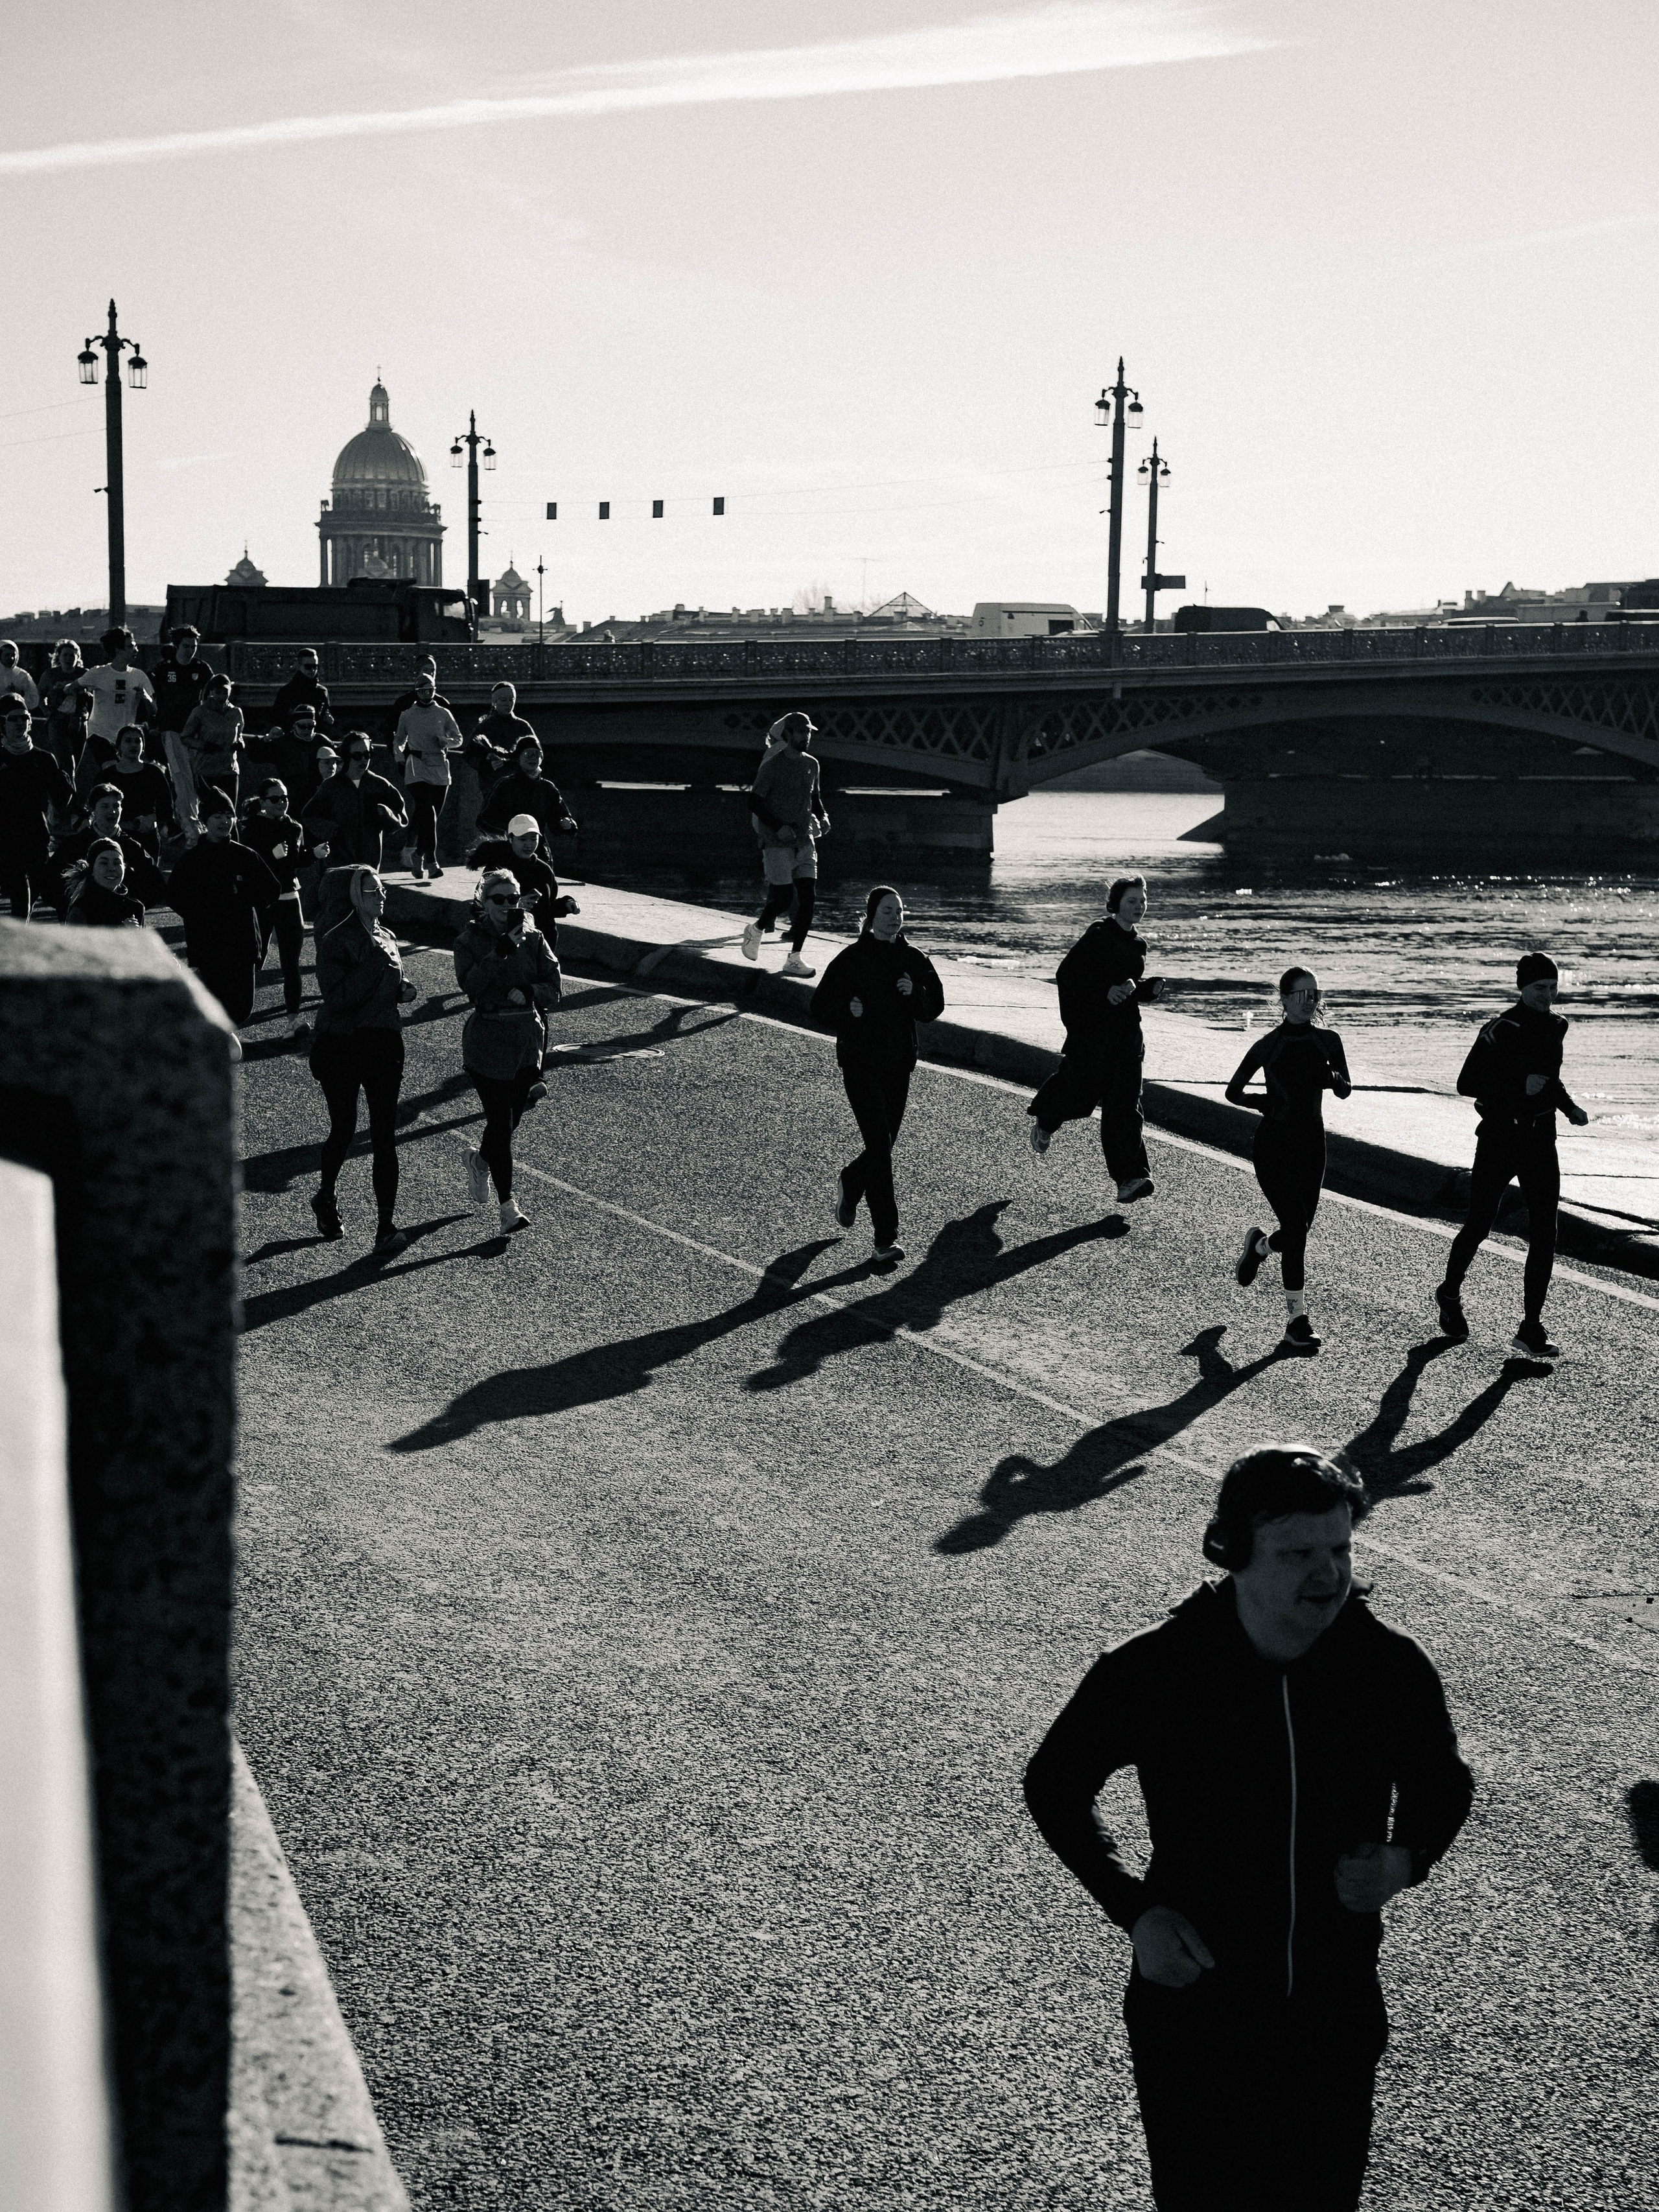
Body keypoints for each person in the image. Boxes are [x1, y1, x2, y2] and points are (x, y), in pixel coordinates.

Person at [1024, 1443, 1475, 2212]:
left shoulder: (1386, 1664)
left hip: (1333, 2004)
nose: (1328, 1573)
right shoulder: (1159, 1665)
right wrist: (1134, 1910)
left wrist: (1406, 1858)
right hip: (1196, 2003)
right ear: (1233, 1550)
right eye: (1298, 1551)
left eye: (1340, 1547)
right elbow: (1054, 1784)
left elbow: (1443, 1782)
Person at [1435, 951, 1588, 1360]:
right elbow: (1467, 1083)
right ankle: (1449, 1293)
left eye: (1554, 987)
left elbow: (1549, 1079)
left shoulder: (1558, 1026)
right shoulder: (1500, 1028)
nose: (1549, 995)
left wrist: (1569, 1107)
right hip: (1500, 1138)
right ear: (1522, 987)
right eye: (1541, 988)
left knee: (1545, 1234)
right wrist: (1520, 1083)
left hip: (1540, 1141)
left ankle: (1531, 1327)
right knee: (1480, 1223)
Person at [809, 886, 944, 1266]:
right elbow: (819, 1007)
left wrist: (914, 991)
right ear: (871, 916)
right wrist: (846, 1009)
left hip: (899, 1063)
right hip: (860, 1063)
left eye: (899, 911)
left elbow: (934, 1006)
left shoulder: (914, 958)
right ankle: (885, 1239)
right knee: (881, 1150)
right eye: (887, 911)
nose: (895, 917)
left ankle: (851, 1182)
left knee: (883, 1145)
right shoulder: (851, 959)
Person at [1225, 966, 1352, 1354]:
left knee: (1298, 1233)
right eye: (1302, 994)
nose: (1310, 1001)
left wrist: (1336, 1081)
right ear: (1283, 999)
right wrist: (1265, 1103)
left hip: (1312, 1147)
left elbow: (1346, 1090)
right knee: (1297, 1228)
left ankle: (1261, 1246)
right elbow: (1233, 1091)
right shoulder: (1269, 1044)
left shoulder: (1329, 1041)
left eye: (1315, 994)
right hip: (1274, 1146)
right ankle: (1297, 1322)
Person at [1027, 872, 1166, 1204]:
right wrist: (1106, 991)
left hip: (1128, 1038)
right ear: (1116, 904)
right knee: (1077, 1097)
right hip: (1093, 1037)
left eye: (1143, 901)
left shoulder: (1139, 943)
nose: (1139, 907)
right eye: (1132, 901)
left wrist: (1148, 989)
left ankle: (1130, 1178)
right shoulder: (1099, 935)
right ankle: (1047, 1120)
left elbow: (1129, 987)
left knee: (1124, 1109)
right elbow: (1068, 975)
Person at [309, 865, 418, 1255]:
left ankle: (385, 1225)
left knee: (385, 1134)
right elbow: (339, 998)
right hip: (341, 1045)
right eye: (372, 891)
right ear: (354, 897)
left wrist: (401, 989)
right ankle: (325, 1195)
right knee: (344, 1128)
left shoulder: (386, 937)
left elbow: (382, 986)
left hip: (383, 1043)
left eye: (382, 889)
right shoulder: (336, 941)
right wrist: (375, 965)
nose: (382, 896)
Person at [454, 867, 562, 1235]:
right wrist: (500, 951)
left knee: (509, 1123)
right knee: (500, 1122)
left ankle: (480, 1160)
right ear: (484, 902)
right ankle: (508, 1207)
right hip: (487, 1041)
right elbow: (470, 986)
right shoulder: (469, 940)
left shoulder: (534, 937)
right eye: (498, 899)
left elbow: (554, 985)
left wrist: (531, 992)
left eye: (512, 899)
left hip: (526, 1043)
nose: (506, 906)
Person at [165, 786, 280, 1032]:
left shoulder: (246, 856)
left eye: (229, 816)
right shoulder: (192, 860)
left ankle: (223, 1041)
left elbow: (272, 889)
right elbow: (174, 896)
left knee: (242, 1008)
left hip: (243, 943)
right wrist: (202, 911)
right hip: (209, 945)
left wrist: (241, 896)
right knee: (214, 1007)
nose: (224, 822)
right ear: (205, 821)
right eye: (218, 817)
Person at [740, 711, 829, 977]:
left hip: (805, 841)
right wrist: (779, 827)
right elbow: (754, 802)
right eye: (801, 732)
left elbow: (814, 797)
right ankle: (756, 929)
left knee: (808, 899)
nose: (806, 737)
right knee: (782, 899)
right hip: (777, 842)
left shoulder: (813, 764)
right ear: (788, 735)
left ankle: (795, 957)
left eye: (809, 732)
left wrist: (823, 816)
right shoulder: (772, 765)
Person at [240, 778, 314, 1035]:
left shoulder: (294, 827)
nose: (282, 803)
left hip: (290, 898)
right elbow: (248, 865)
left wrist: (313, 855)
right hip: (262, 901)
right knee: (253, 959)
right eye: (275, 799)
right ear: (262, 802)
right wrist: (271, 855)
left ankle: (293, 1021)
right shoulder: (250, 828)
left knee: (291, 963)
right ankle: (229, 1016)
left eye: (284, 798)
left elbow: (295, 860)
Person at [0, 696, 74, 918]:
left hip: (35, 834)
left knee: (30, 892)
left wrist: (64, 778)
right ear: (2, 723)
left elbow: (63, 799)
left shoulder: (43, 759)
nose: (21, 723)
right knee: (17, 887)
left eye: (25, 718)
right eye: (14, 719)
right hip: (4, 834)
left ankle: (16, 940)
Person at [51, 783, 167, 916]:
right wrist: (72, 909)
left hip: (121, 924)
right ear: (93, 810)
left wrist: (133, 908)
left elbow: (156, 886)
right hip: (82, 925)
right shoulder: (75, 844)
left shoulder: (132, 846)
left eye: (116, 806)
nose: (112, 811)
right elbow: (51, 883)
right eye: (105, 806)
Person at [300, 730, 408, 870]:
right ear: (346, 756)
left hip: (370, 862)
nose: (363, 760)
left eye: (367, 755)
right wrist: (329, 830)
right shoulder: (331, 785)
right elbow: (309, 815)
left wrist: (386, 813)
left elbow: (401, 817)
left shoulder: (380, 784)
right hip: (337, 861)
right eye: (357, 755)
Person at [391, 671, 463, 879]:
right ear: (417, 692)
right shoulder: (407, 715)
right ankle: (432, 862)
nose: (426, 694)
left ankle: (419, 855)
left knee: (430, 818)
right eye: (422, 690)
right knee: (427, 812)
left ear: (434, 691)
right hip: (416, 765)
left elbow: (458, 738)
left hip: (440, 766)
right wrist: (399, 758)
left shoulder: (443, 713)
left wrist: (446, 741)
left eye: (430, 690)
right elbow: (398, 740)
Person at [467, 813, 579, 946]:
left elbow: (546, 910)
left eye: (533, 839)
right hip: (507, 943)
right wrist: (515, 906)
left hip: (541, 945)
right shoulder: (498, 867)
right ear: (511, 839)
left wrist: (566, 904)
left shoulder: (544, 870)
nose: (529, 845)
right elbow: (479, 907)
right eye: (523, 839)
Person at [76, 722, 172, 849]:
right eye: (128, 741)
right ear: (119, 746)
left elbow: (167, 806)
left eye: (137, 741)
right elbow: (93, 805)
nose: (133, 745)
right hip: (113, 835)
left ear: (143, 747)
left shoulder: (153, 773)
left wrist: (152, 819)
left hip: (145, 835)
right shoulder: (107, 776)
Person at [474, 733, 578, 848]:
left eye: (536, 754)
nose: (533, 758)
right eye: (528, 754)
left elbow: (557, 821)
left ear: (541, 758)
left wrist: (567, 824)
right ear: (519, 757)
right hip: (509, 849)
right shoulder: (505, 786)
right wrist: (513, 833)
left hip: (536, 849)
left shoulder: (548, 788)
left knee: (544, 867)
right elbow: (484, 820)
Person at [174, 673, 246, 833]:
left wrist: (240, 743)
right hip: (206, 770)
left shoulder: (236, 712)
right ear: (212, 692)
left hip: (229, 769)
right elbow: (185, 737)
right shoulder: (200, 712)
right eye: (218, 692)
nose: (221, 696)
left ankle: (233, 849)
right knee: (212, 815)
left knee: (230, 814)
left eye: (225, 692)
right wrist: (204, 746)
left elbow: (240, 733)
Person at [82, 629, 156, 752]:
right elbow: (72, 688)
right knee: (108, 765)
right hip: (99, 735)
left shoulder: (139, 675)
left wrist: (146, 697)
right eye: (131, 647)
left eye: (136, 646)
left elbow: (154, 710)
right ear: (118, 649)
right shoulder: (98, 672)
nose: (136, 650)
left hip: (124, 738)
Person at [247, 702, 325, 813]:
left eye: (311, 726)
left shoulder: (321, 741)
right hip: (292, 795)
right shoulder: (285, 743)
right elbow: (255, 756)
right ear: (294, 725)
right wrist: (267, 738)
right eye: (302, 726)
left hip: (316, 793)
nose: (307, 730)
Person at [152, 625, 213, 762]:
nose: (190, 651)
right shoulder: (164, 668)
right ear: (176, 645)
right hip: (170, 727)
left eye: (193, 647)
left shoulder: (202, 668)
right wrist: (155, 723)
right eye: (186, 646)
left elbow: (211, 695)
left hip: (194, 728)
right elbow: (154, 697)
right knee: (177, 767)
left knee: (194, 767)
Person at [64, 837, 147, 927]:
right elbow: (76, 941)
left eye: (117, 863)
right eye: (104, 863)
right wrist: (121, 932)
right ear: (92, 870)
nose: (112, 868)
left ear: (124, 867)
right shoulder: (82, 908)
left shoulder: (136, 907)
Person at [40, 641, 93, 777]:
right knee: (66, 765)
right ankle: (66, 793)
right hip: (58, 721)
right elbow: (39, 695)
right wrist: (46, 711)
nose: (69, 658)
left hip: (79, 722)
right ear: (59, 657)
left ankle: (68, 793)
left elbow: (94, 696)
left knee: (75, 766)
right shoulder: (50, 675)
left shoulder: (84, 674)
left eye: (72, 655)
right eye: (66, 655)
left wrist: (82, 694)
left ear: (77, 657)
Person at [466, 679, 536, 779]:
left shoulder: (523, 726)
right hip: (492, 784)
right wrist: (487, 764)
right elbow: (469, 755)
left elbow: (536, 755)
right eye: (504, 700)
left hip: (518, 783)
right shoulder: (484, 727)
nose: (508, 704)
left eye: (512, 700)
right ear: (495, 702)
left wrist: (510, 762)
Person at [270, 646, 335, 736]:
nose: (312, 670)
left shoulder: (322, 691)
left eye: (315, 666)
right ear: (299, 666)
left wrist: (328, 718)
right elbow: (276, 718)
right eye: (308, 666)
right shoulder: (287, 691)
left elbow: (325, 714)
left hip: (316, 738)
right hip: (293, 740)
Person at [0, 638, 40, 712]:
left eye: (13, 655)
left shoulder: (23, 676)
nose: (11, 658)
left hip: (16, 718)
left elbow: (34, 702)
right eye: (7, 655)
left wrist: (20, 693)